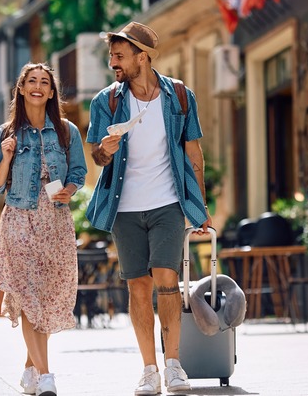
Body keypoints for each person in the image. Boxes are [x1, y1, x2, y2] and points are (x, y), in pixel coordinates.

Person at [85, 22, 212, 395]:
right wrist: (103, 151)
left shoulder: (180, 96)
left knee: (167, 281)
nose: (114, 63)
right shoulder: (105, 102)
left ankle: (174, 364)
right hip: (124, 208)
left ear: (143, 56)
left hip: (167, 203)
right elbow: (97, 156)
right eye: (112, 56)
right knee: (138, 288)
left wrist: (199, 205)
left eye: (120, 56)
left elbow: (193, 153)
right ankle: (149, 370)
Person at [0, 62, 87, 396]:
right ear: (22, 89)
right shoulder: (5, 134)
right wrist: (7, 158)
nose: (38, 86)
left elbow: (79, 172)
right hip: (20, 217)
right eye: (32, 81)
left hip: (54, 218)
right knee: (27, 294)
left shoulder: (66, 130)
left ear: (52, 92)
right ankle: (45, 375)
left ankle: (30, 367)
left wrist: (70, 189)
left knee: (48, 293)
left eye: (45, 82)